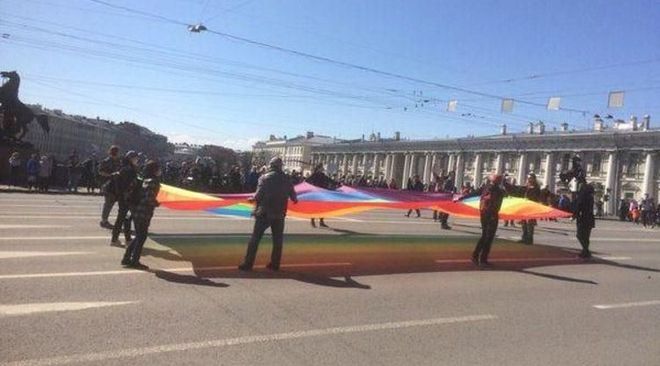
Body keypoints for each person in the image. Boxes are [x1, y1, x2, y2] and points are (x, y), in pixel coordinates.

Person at [238, 157, 298, 271]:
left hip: (264, 212)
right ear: (281, 166)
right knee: (277, 240)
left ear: (271, 165)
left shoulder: (264, 178)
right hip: (280, 214)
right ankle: (275, 264)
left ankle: (248, 264)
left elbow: (258, 195)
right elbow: (294, 197)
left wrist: (251, 199)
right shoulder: (287, 179)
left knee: (255, 239)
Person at [122, 160, 161, 269]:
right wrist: (156, 203)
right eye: (158, 169)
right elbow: (149, 198)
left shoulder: (142, 178)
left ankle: (126, 258)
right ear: (155, 170)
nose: (159, 171)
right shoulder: (153, 181)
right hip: (144, 212)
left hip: (136, 210)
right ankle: (134, 261)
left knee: (139, 236)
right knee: (141, 237)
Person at [472, 174, 506, 266]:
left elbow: (474, 193)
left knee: (485, 236)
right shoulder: (498, 190)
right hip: (492, 215)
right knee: (489, 237)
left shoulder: (486, 188)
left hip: (484, 214)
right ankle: (482, 259)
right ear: (498, 181)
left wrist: (460, 198)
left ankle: (476, 256)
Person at [111, 151, 139, 246]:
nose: (137, 160)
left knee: (126, 218)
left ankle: (127, 239)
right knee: (122, 218)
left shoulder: (125, 167)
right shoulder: (128, 169)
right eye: (136, 158)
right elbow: (128, 185)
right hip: (126, 197)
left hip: (124, 197)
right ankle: (114, 240)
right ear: (131, 158)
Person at [306, 163, 336, 228]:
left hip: (322, 193)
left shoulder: (322, 175)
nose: (323, 169)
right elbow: (307, 181)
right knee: (314, 208)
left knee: (322, 208)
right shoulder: (314, 175)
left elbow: (329, 180)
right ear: (318, 168)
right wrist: (311, 187)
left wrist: (337, 183)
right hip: (315, 194)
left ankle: (321, 222)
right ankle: (312, 221)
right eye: (321, 168)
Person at [99, 146, 122, 229]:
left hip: (117, 186)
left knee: (112, 204)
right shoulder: (106, 161)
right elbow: (101, 172)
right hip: (109, 185)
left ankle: (106, 220)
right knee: (108, 204)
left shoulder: (118, 161)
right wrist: (111, 175)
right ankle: (104, 221)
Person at [574, 174, 595, 259]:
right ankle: (585, 251)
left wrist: (575, 213)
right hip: (589, 217)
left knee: (580, 235)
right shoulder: (590, 196)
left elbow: (579, 204)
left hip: (583, 217)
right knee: (585, 236)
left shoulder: (583, 193)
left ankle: (586, 251)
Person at [520, 173, 541, 245]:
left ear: (534, 179)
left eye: (530, 178)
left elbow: (537, 197)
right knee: (523, 222)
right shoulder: (526, 186)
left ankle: (529, 239)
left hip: (532, 206)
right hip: (525, 205)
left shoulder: (536, 187)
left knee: (530, 223)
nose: (529, 179)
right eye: (528, 178)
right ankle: (524, 237)